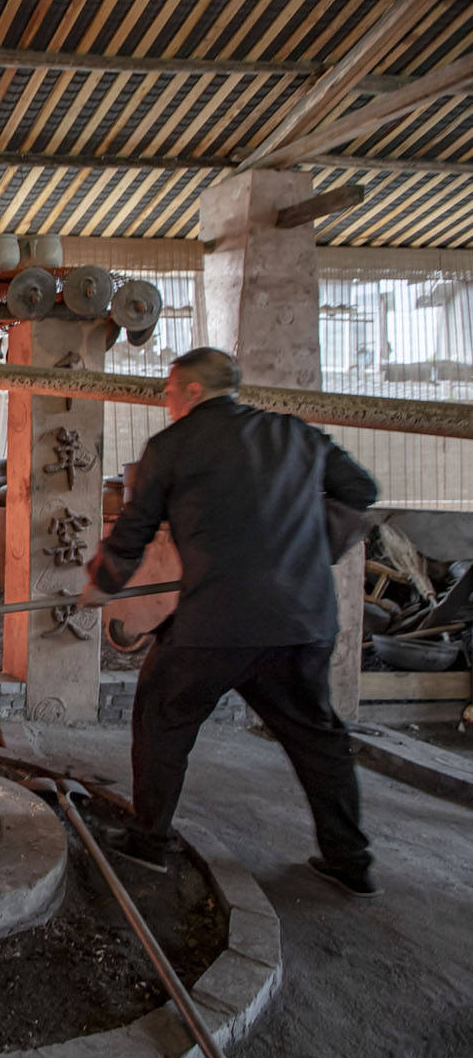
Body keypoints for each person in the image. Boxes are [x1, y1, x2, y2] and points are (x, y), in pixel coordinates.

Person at [79, 347, 381, 897]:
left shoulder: (171, 448)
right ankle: (350, 859)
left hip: (217, 624)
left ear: (193, 390)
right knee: (319, 739)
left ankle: (150, 842)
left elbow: (134, 529)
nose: (165, 399)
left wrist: (102, 584)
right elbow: (361, 492)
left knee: (162, 718)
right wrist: (307, 546)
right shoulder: (295, 434)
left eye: (170, 389)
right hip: (302, 621)